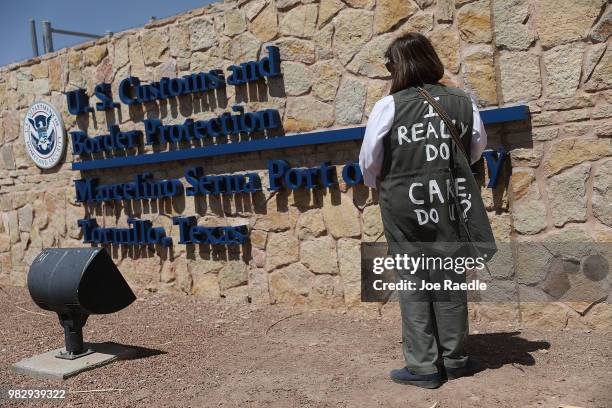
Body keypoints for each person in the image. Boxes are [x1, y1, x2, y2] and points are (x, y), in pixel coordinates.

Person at [359, 32, 495, 389]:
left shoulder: (388, 106)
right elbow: (476, 149)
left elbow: (369, 163)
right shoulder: (463, 101)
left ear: (399, 66)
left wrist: (388, 184)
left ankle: (424, 367)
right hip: (450, 200)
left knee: (414, 279)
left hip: (405, 205)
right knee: (449, 275)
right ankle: (456, 359)